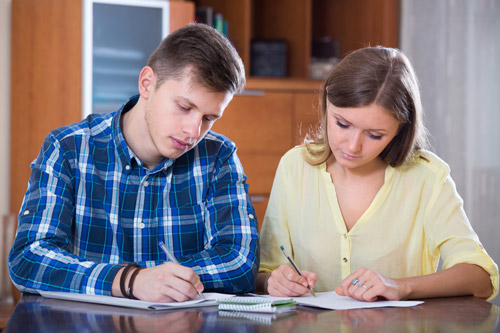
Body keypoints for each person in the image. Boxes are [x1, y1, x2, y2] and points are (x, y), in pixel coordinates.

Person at [9, 23, 259, 302]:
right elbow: (29, 258)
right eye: (185, 107)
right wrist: (132, 281)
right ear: (147, 84)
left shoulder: (219, 157)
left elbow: (240, 263)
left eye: (208, 118)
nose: (193, 131)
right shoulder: (67, 149)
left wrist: (160, 282)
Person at [257, 46, 498, 301]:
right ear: (328, 99)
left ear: (400, 129)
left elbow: (480, 278)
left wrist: (400, 286)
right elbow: (264, 270)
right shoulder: (295, 167)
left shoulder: (427, 178)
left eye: (374, 135)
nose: (352, 146)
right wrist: (273, 281)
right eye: (342, 124)